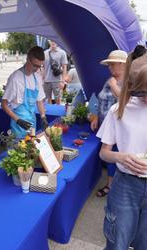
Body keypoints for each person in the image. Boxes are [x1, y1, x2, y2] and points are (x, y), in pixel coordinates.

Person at [96, 46, 147, 249]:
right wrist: (121, 157)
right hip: (126, 185)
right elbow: (104, 152)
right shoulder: (119, 110)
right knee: (118, 242)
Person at [91, 50, 128, 197]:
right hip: (106, 127)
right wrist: (95, 117)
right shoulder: (110, 80)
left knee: (115, 157)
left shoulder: (129, 82)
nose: (110, 68)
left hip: (118, 129)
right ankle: (111, 184)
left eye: (112, 64)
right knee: (110, 158)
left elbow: (127, 103)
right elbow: (100, 100)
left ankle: (112, 187)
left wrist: (114, 87)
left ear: (122, 64)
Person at [1, 46, 49, 139]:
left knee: (31, 148)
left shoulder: (37, 77)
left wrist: (43, 117)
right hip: (18, 123)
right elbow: (4, 104)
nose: (37, 69)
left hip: (32, 121)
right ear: (27, 59)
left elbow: (39, 101)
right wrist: (18, 120)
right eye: (35, 65)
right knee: (19, 150)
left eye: (40, 66)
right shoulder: (15, 78)